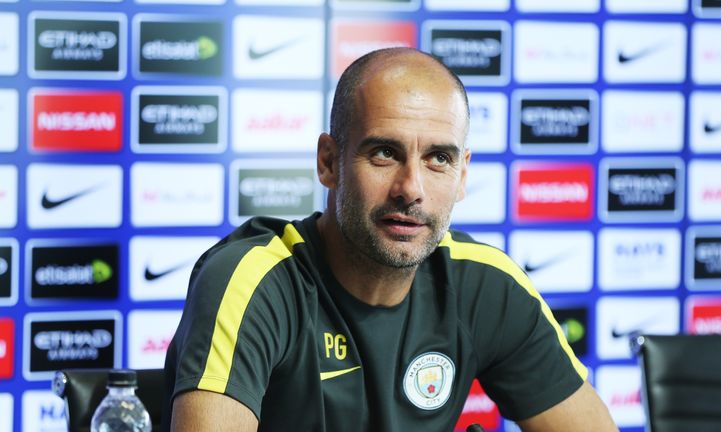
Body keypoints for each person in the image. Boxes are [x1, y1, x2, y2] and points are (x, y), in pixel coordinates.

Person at [162, 47, 618, 431]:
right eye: (384, 152)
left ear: (462, 176)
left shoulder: (485, 284)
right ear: (329, 162)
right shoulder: (253, 282)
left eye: (438, 158)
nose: (411, 188)